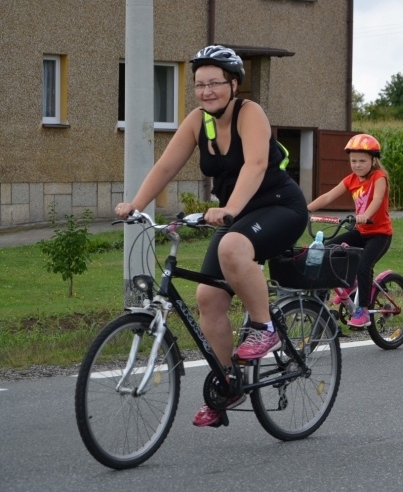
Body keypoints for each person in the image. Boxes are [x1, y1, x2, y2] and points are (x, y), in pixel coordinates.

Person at [115, 45, 308, 427]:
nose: (206, 91)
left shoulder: (250, 113)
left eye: (215, 83)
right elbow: (167, 165)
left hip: (279, 207)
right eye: (200, 85)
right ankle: (227, 383)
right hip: (236, 216)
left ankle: (264, 327)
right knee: (208, 296)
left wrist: (230, 209)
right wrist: (136, 205)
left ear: (233, 84)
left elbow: (255, 165)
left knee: (234, 247)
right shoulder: (197, 121)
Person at [307, 134, 393, 328]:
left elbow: (377, 199)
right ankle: (349, 284)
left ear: (373, 160)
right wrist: (305, 209)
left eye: (362, 160)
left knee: (364, 266)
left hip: (379, 234)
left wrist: (365, 215)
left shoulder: (379, 177)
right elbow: (329, 196)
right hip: (360, 231)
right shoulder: (351, 179)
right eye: (353, 160)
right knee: (326, 250)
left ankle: (363, 310)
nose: (357, 165)